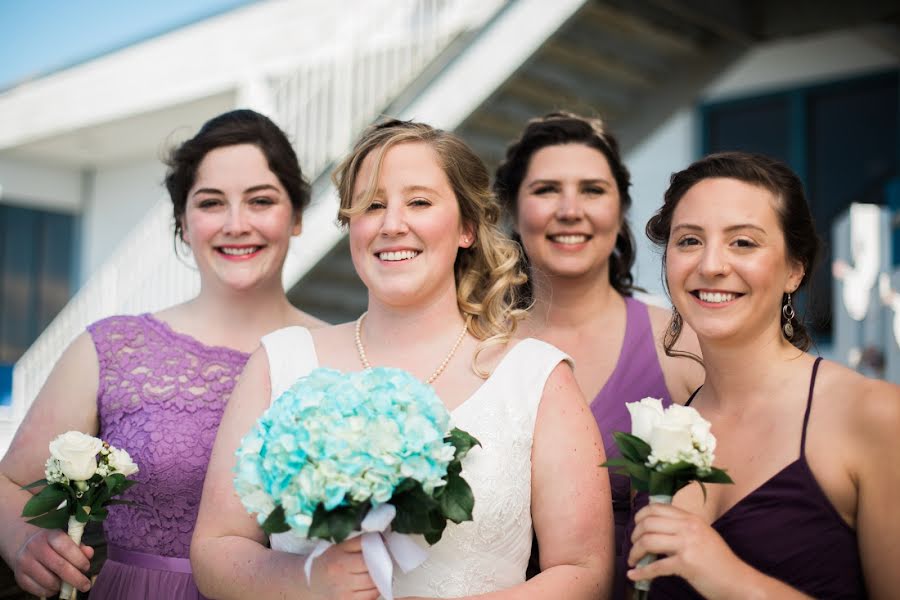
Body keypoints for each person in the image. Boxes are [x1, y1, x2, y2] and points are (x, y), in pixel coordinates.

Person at [191, 119, 614, 599]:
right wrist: (310, 581)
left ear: (467, 228)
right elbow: (215, 547)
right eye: (372, 205)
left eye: (419, 202)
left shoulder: (536, 378)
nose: (392, 225)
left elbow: (584, 572)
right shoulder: (280, 361)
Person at [0, 109, 325, 600]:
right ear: (182, 220)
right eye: (212, 202)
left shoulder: (343, 353)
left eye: (261, 201)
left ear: (297, 216)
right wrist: (21, 540)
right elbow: (8, 482)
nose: (237, 224)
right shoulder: (112, 348)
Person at [626, 152, 900, 598]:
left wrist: (728, 578)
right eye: (689, 241)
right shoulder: (667, 427)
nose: (710, 265)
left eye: (743, 243)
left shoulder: (874, 416)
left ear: (795, 269)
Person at [493, 111, 704, 590]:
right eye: (546, 190)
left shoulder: (683, 344)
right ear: (513, 208)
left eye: (592, 190)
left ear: (620, 207)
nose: (570, 210)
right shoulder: (471, 347)